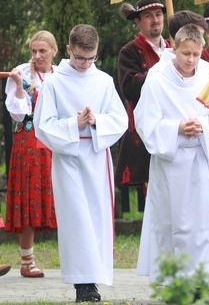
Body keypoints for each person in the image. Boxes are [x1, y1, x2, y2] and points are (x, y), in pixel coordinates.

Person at [33, 24, 128, 303]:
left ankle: (94, 278)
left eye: (91, 58)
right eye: (79, 58)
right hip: (69, 159)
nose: (85, 64)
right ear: (68, 50)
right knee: (77, 220)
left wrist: (98, 120)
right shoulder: (54, 82)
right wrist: (74, 123)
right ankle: (83, 285)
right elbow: (43, 126)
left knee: (96, 218)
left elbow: (120, 119)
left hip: (97, 156)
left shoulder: (103, 81)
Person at [134, 24, 209, 284]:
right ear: (174, 49)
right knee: (175, 221)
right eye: (186, 54)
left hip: (203, 157)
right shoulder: (157, 76)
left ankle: (204, 278)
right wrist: (178, 128)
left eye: (196, 54)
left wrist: (203, 126)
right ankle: (176, 280)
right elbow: (145, 121)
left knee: (204, 220)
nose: (191, 60)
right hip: (171, 160)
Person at [4, 30, 58, 278]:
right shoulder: (22, 72)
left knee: (61, 195)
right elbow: (18, 114)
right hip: (28, 141)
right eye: (34, 50)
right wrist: (17, 86)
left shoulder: (62, 75)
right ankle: (27, 260)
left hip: (56, 140)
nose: (37, 55)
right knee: (29, 196)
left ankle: (75, 258)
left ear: (54, 51)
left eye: (42, 51)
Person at [115, 0, 169, 190]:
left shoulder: (174, 48)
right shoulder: (129, 51)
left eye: (158, 14)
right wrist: (160, 71)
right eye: (148, 16)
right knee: (153, 197)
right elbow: (129, 88)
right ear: (137, 21)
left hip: (172, 128)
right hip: (145, 129)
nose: (155, 20)